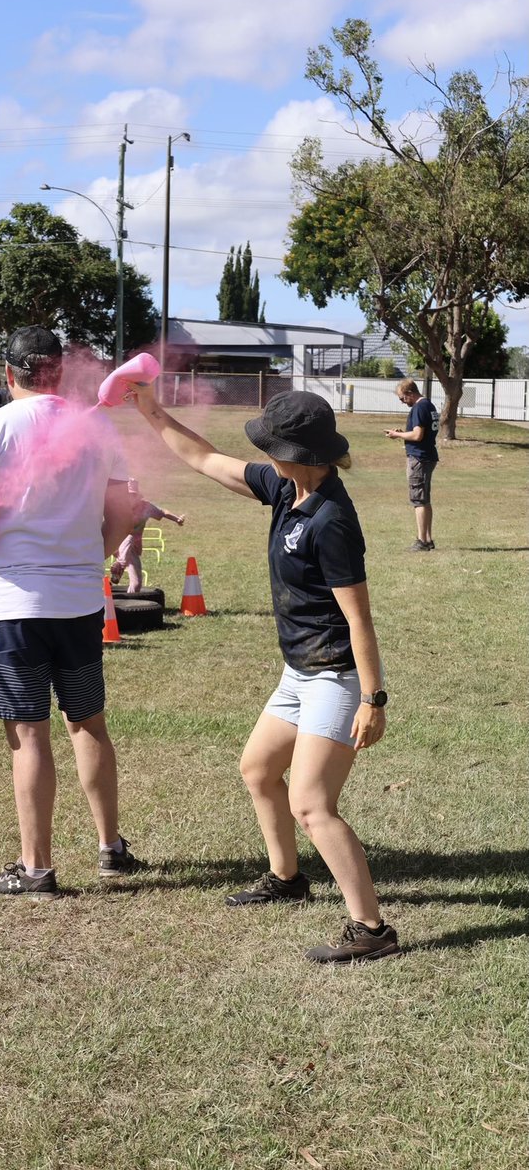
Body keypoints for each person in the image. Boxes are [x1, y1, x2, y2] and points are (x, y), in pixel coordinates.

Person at [132, 387, 399, 965]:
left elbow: (359, 618)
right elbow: (204, 458)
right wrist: (148, 409)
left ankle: (372, 928)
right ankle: (287, 877)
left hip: (333, 675)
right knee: (257, 769)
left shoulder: (331, 520)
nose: (263, 453)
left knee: (311, 803)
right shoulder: (285, 489)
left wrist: (373, 698)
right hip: (299, 671)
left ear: (297, 452)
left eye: (272, 445)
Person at [0, 324, 138, 896]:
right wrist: (95, 556)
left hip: (12, 607)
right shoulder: (97, 426)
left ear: (9, 374)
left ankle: (36, 869)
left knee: (28, 736)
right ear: (59, 371)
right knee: (89, 725)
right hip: (81, 604)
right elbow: (126, 509)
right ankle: (111, 849)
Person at [385, 378, 439, 551]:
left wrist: (396, 435)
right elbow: (421, 433)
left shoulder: (418, 407)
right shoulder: (429, 405)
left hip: (419, 458)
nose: (402, 402)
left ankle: (422, 541)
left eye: (402, 398)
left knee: (418, 500)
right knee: (424, 499)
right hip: (428, 456)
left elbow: (417, 436)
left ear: (410, 393)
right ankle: (428, 539)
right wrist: (403, 433)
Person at [110, 479, 186, 593]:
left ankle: (130, 601)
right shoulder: (118, 505)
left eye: (133, 495)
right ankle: (119, 566)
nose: (131, 498)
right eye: (128, 495)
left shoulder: (146, 507)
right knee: (129, 537)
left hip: (134, 548)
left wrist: (177, 519)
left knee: (137, 584)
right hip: (117, 543)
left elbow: (163, 512)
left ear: (138, 496)